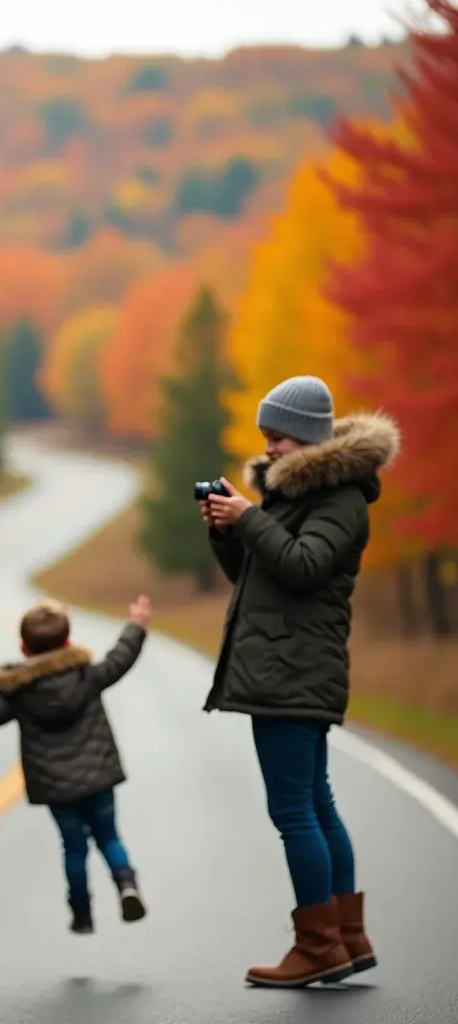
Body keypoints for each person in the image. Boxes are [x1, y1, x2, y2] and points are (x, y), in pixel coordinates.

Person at [199, 375, 400, 989]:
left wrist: (253, 518)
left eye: (278, 438)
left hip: (295, 671)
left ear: (309, 437)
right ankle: (347, 937)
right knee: (315, 803)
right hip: (289, 668)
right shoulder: (295, 495)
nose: (270, 449)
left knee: (294, 810)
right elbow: (258, 574)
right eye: (266, 437)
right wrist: (227, 530)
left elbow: (306, 567)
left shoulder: (339, 498)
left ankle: (317, 948)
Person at [0, 595, 153, 934]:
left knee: (74, 847)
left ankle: (81, 912)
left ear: (23, 649)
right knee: (108, 836)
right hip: (98, 776)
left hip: (55, 787)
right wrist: (136, 625)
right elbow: (120, 659)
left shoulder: (18, 692)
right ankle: (127, 886)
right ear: (68, 642)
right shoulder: (86, 677)